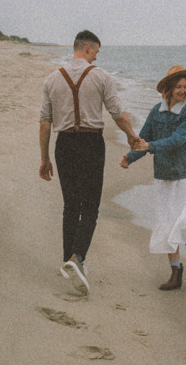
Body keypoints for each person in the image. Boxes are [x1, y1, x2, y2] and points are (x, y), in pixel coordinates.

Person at [39, 30, 143, 296]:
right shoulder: (100, 76)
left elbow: (44, 122)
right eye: (96, 51)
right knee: (91, 206)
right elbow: (117, 113)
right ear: (87, 48)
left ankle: (68, 261)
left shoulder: (52, 79)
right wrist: (131, 136)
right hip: (90, 144)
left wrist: (44, 158)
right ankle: (77, 258)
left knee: (71, 205)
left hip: (64, 145)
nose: (97, 56)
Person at [120, 63, 186, 291]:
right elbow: (144, 138)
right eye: (178, 86)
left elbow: (178, 139)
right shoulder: (156, 111)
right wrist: (130, 157)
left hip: (185, 174)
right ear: (168, 88)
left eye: (185, 87)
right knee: (166, 224)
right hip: (163, 175)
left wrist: (151, 145)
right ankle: (175, 273)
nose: (182, 91)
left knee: (183, 221)